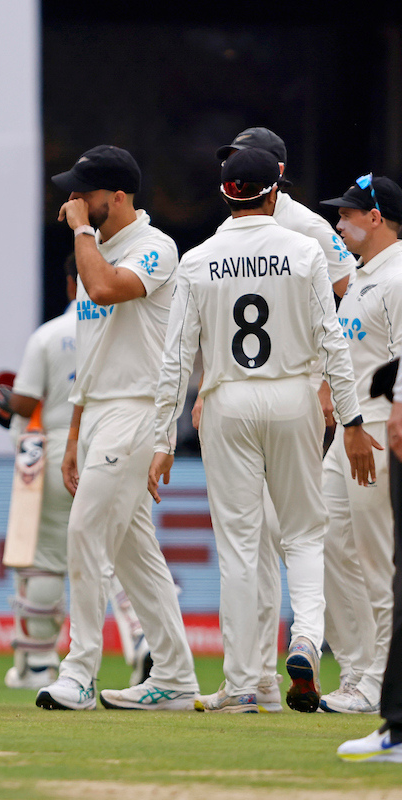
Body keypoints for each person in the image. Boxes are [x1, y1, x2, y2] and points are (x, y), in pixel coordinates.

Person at [150, 147, 377, 713]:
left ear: (226, 194)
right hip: (293, 395)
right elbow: (333, 341)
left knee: (240, 546)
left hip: (227, 401)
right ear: (273, 192)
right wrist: (350, 419)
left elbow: (176, 359)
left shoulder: (199, 259)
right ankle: (305, 638)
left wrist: (161, 439)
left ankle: (244, 682)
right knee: (303, 533)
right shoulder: (304, 251)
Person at [34, 145, 199, 712]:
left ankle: (78, 672)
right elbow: (92, 346)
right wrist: (76, 430)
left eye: (84, 192)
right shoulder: (94, 252)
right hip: (98, 413)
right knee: (136, 557)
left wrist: (81, 234)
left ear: (119, 197)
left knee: (84, 532)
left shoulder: (156, 249)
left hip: (137, 410)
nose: (73, 201)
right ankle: (175, 677)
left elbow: (105, 289)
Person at [211, 127, 359, 705]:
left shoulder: (310, 230)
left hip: (282, 393)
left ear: (272, 173)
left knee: (267, 538)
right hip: (284, 398)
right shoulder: (239, 231)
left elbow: (349, 305)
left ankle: (277, 672)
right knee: (281, 537)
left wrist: (326, 385)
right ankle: (258, 675)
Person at [0, 256, 154, 692]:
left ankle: (38, 663)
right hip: (117, 443)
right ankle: (142, 643)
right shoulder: (129, 329)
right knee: (122, 558)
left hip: (55, 448)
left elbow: (22, 404)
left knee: (43, 558)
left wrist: (2, 399)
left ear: (68, 286)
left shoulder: (49, 335)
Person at [316, 175, 402, 715]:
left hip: (375, 428)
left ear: (376, 217)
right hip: (349, 429)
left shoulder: (398, 276)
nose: (339, 223)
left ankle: (381, 681)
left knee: (378, 559)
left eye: (348, 214)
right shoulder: (364, 277)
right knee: (326, 545)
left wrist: (394, 419)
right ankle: (358, 671)